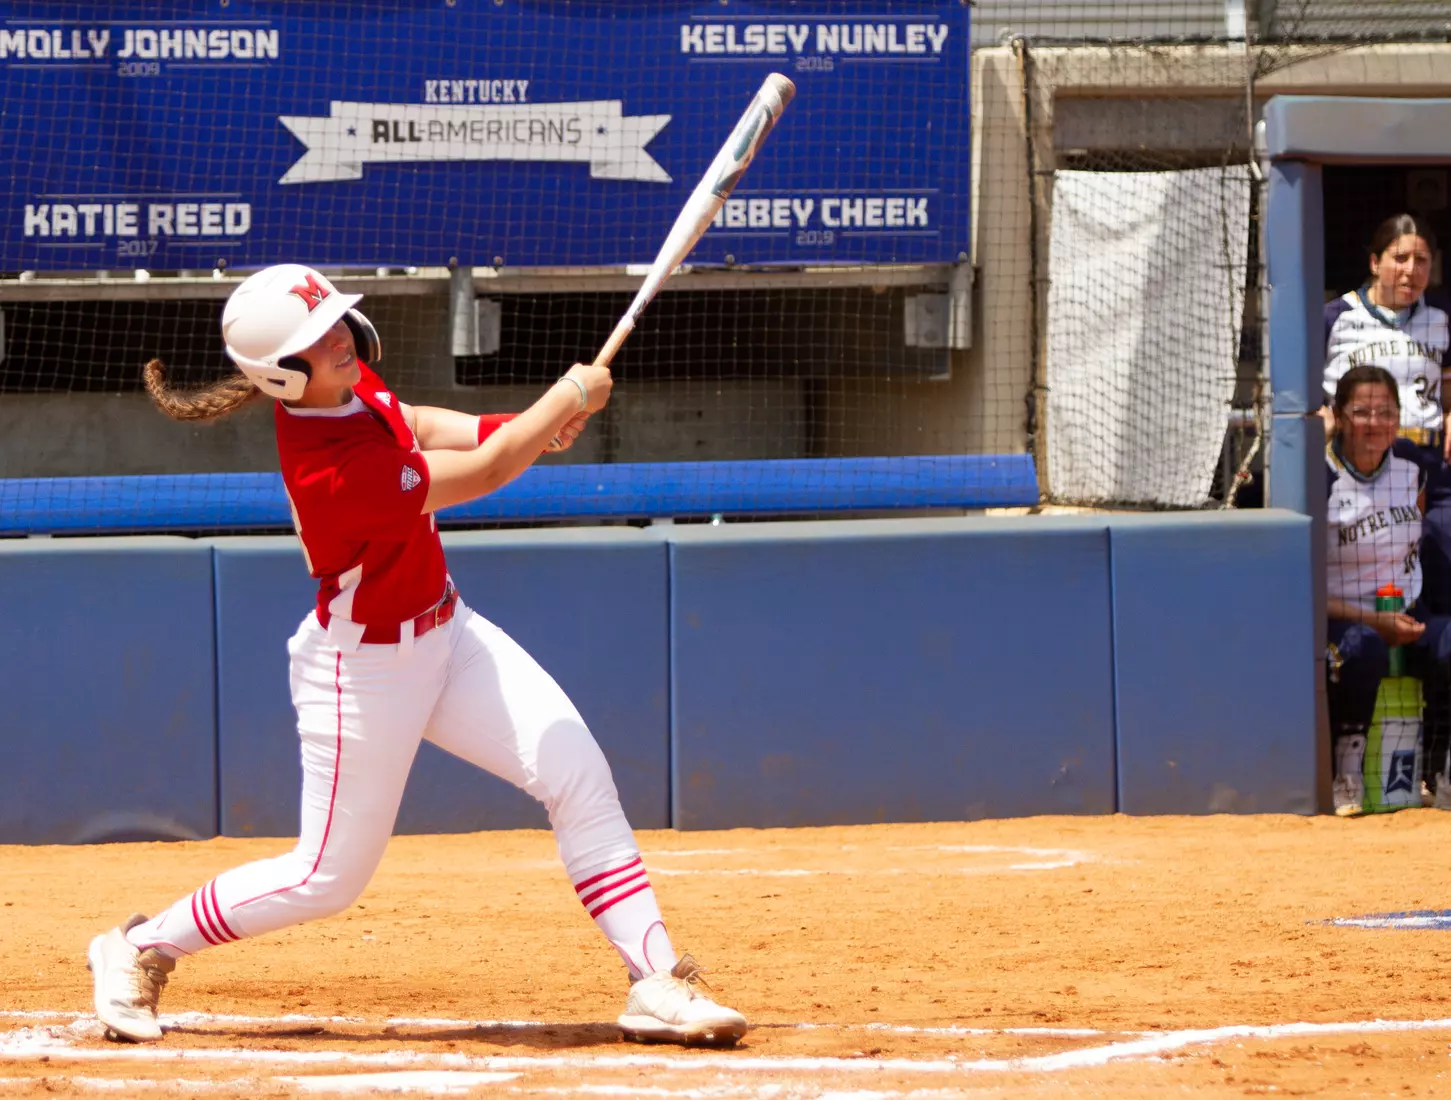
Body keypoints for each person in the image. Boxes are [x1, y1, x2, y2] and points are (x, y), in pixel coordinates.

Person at [86, 264, 747, 1048]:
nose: (337, 339)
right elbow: (491, 473)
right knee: (325, 878)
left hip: (447, 633)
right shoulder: (330, 467)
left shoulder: (348, 389)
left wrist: (512, 422)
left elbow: (419, 423)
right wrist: (557, 407)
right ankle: (139, 947)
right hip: (362, 673)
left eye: (334, 324)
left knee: (576, 773)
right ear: (281, 375)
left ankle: (655, 978)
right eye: (314, 339)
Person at [1325, 365, 1451, 814]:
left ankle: (1439, 768)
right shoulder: (1320, 476)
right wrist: (1375, 620)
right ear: (1339, 416)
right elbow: (1303, 591)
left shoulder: (1414, 465)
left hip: (1406, 610)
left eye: (1385, 412)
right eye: (1361, 411)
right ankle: (1347, 767)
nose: (1374, 422)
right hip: (1344, 620)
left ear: (1399, 419)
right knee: (1363, 649)